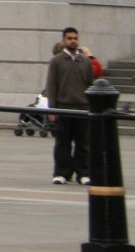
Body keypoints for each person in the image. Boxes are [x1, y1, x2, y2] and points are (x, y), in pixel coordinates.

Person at [44, 26, 98, 184]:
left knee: (83, 143)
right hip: (63, 107)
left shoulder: (85, 61)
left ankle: (83, 173)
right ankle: (61, 173)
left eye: (75, 38)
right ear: (64, 40)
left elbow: (90, 84)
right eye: (69, 38)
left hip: (82, 108)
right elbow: (51, 85)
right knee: (62, 142)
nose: (73, 41)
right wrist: (52, 109)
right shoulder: (56, 61)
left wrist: (91, 107)